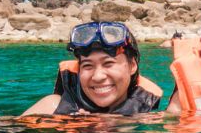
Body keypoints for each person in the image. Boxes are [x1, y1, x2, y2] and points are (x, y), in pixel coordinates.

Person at [22, 21, 163, 115]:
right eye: (88, 65)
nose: (97, 76)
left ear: (132, 66)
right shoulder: (52, 108)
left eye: (108, 64)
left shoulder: (149, 121)